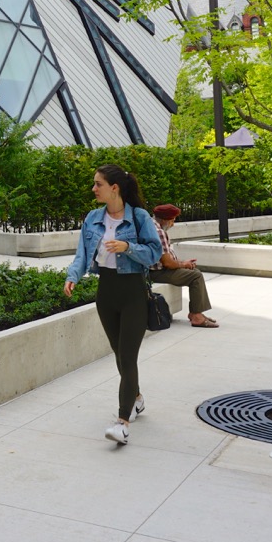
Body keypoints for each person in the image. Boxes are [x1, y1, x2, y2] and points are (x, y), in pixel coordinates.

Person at [63, 164, 162, 445]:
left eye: (98, 184)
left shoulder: (139, 217)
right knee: (119, 355)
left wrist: (127, 247)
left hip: (133, 293)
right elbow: (82, 254)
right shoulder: (93, 218)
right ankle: (137, 397)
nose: (94, 189)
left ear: (114, 188)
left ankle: (122, 422)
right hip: (106, 293)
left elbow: (155, 252)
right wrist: (73, 277)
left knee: (128, 358)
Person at [147, 204, 219, 328]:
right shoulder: (159, 232)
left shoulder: (150, 226)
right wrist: (183, 264)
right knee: (195, 276)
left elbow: (166, 258)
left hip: (154, 270)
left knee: (193, 271)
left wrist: (182, 263)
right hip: (156, 272)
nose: (173, 224)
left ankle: (196, 313)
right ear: (164, 219)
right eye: (172, 220)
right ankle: (196, 316)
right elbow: (167, 263)